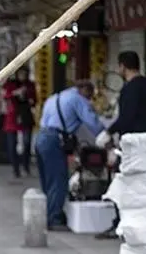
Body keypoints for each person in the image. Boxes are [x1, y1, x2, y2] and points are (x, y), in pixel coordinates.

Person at [95, 51, 146, 239]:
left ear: (123, 66)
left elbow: (126, 118)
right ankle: (137, 222)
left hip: (131, 144)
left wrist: (108, 132)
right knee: (140, 185)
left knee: (122, 183)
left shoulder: (131, 88)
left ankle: (120, 223)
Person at [36, 79, 107, 231]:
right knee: (59, 179)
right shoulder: (78, 99)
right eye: (89, 95)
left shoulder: (54, 97)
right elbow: (92, 122)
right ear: (84, 90)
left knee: (48, 180)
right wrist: (107, 136)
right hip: (55, 140)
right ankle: (54, 218)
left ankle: (50, 213)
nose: (89, 100)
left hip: (41, 138)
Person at [1, 67, 37, 178]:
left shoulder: (30, 85)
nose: (23, 76)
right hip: (13, 116)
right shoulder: (10, 84)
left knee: (26, 143)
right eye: (21, 74)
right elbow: (5, 96)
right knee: (12, 144)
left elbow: (35, 99)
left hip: (25, 116)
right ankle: (15, 169)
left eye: (25, 74)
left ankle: (26, 166)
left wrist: (28, 97)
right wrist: (15, 93)